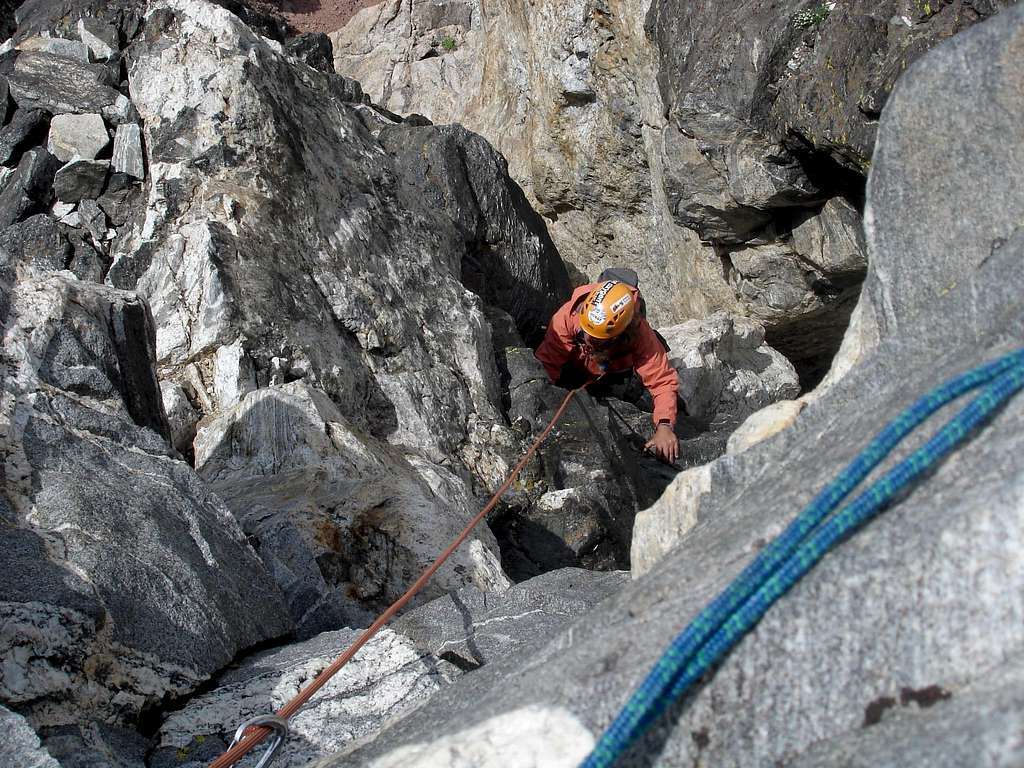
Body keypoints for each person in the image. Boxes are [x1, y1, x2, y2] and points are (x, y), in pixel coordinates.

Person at [535, 275, 680, 464]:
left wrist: (664, 425)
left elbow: (662, 381)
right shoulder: (568, 317)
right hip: (575, 370)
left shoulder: (640, 334)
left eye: (595, 339)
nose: (587, 339)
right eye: (585, 334)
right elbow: (547, 363)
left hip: (613, 374)